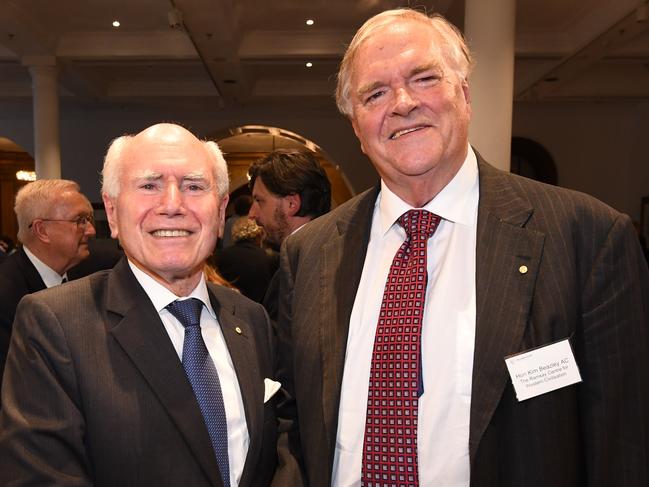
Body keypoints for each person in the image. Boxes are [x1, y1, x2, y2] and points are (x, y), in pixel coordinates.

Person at [273, 8, 649, 487]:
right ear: (357, 128)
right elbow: (293, 426)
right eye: (375, 93)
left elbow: (624, 443)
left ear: (465, 95)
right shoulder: (310, 254)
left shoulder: (588, 238)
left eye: (424, 78)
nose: (403, 103)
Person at [0, 123, 278, 486]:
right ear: (113, 213)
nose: (173, 205)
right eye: (149, 186)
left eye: (194, 186)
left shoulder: (251, 318)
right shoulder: (55, 324)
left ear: (221, 210)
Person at [0, 179, 95, 390]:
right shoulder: (6, 297)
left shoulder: (90, 273)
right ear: (42, 231)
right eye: (79, 220)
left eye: (88, 219)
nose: (91, 231)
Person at [247, 149, 331, 320]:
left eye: (259, 200)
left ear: (292, 203)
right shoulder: (333, 257)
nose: (252, 214)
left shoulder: (297, 271)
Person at [212, 218, 276, 303]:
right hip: (260, 310)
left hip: (228, 307)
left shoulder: (221, 256)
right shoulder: (270, 258)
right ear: (259, 235)